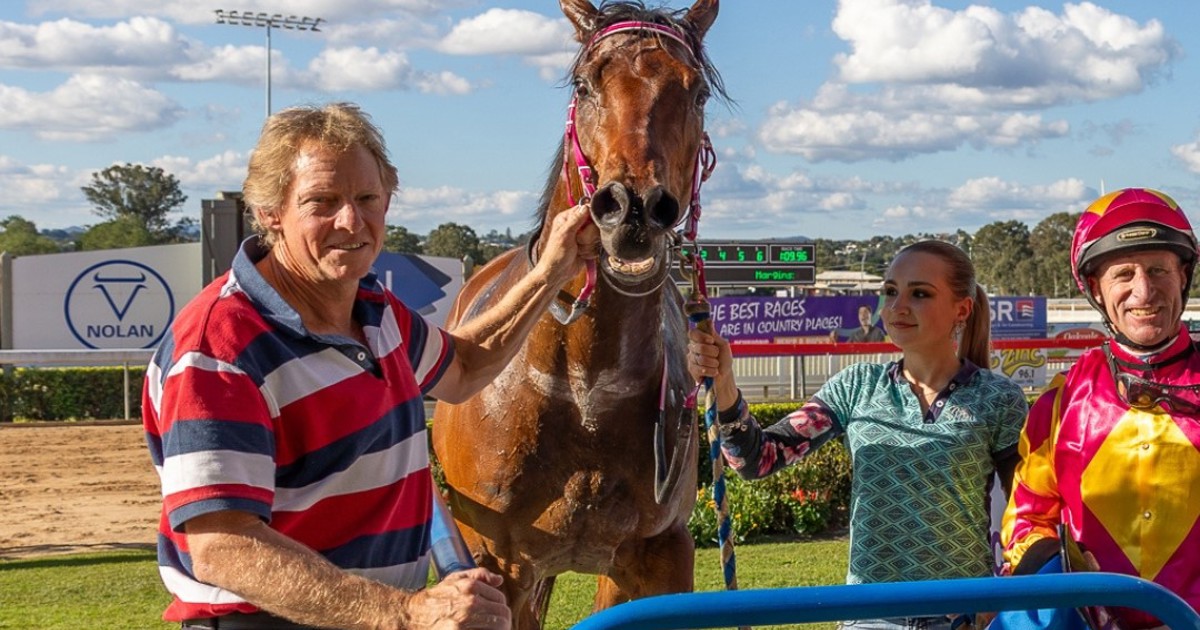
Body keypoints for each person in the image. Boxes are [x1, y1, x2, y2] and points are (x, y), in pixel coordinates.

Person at [142, 102, 599, 629]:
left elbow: (465, 367)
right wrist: (406, 613)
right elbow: (223, 545)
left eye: (366, 198)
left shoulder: (375, 311)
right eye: (323, 202)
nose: (351, 221)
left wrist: (553, 269)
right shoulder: (220, 345)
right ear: (270, 212)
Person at [689, 240, 1028, 630]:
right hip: (870, 615)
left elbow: (1028, 510)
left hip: (963, 614)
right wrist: (726, 382)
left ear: (961, 309)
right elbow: (757, 459)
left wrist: (1004, 593)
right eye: (890, 292)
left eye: (919, 293)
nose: (897, 306)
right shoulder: (855, 387)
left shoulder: (999, 397)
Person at [1001, 188, 1200, 629]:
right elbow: (1027, 520)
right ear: (1095, 287)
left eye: (1158, 270)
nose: (1143, 291)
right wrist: (1062, 572)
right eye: (1123, 274)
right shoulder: (1061, 400)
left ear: (1183, 276)